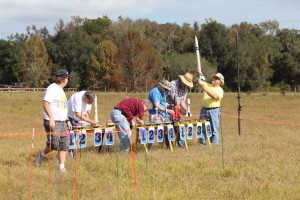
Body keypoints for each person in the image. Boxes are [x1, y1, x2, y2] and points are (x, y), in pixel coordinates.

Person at [35, 69, 72, 172]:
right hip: (53, 121)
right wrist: (51, 118)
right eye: (67, 77)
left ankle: (61, 167)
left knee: (64, 144)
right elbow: (45, 103)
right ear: (64, 79)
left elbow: (63, 107)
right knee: (53, 145)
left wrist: (67, 120)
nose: (68, 79)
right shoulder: (52, 88)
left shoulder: (61, 91)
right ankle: (41, 155)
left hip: (63, 122)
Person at [166, 73, 193, 147]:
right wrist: (180, 109)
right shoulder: (173, 84)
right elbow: (173, 98)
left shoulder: (186, 89)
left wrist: (187, 110)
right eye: (184, 83)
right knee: (169, 126)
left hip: (176, 108)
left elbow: (182, 101)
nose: (185, 85)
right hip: (168, 107)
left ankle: (181, 144)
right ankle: (169, 145)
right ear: (181, 80)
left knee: (179, 126)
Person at [198, 72, 224, 146]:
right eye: (214, 77)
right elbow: (200, 82)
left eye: (216, 78)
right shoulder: (208, 85)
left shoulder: (220, 90)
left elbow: (215, 96)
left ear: (220, 81)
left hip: (214, 110)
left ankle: (214, 144)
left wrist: (205, 89)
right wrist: (199, 74)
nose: (214, 79)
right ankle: (202, 143)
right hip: (204, 109)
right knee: (202, 126)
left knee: (214, 128)